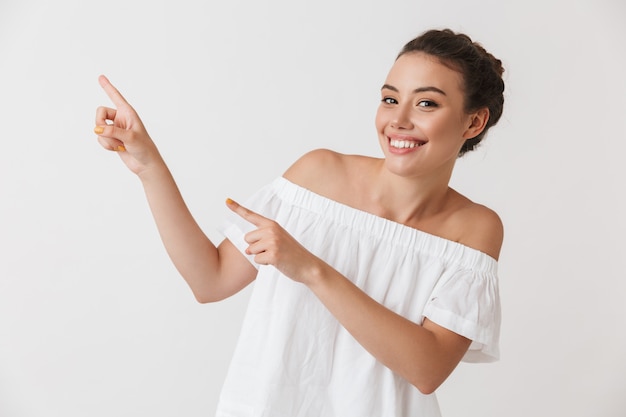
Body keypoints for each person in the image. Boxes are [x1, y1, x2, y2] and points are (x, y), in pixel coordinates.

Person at [94, 28, 505, 417]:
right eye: (390, 99)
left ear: (473, 122)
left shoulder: (474, 228)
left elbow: (427, 369)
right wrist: (149, 167)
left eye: (427, 103)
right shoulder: (318, 175)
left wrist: (310, 269)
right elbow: (210, 280)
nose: (398, 120)